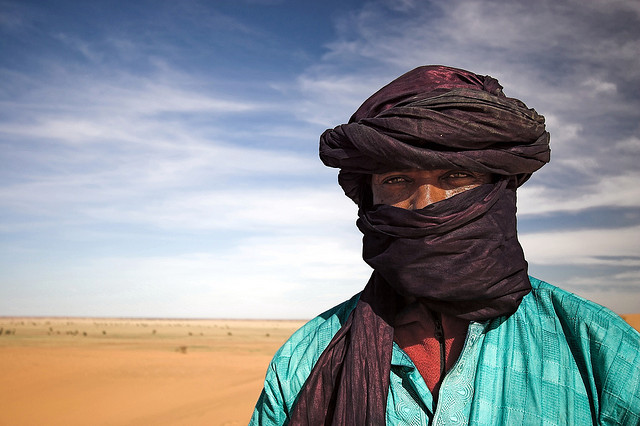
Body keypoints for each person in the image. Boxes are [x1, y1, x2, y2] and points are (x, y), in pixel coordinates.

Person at [249, 65, 640, 425]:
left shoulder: (597, 348)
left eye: (457, 175)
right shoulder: (306, 358)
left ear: (498, 190)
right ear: (369, 197)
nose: (426, 203)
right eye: (396, 179)